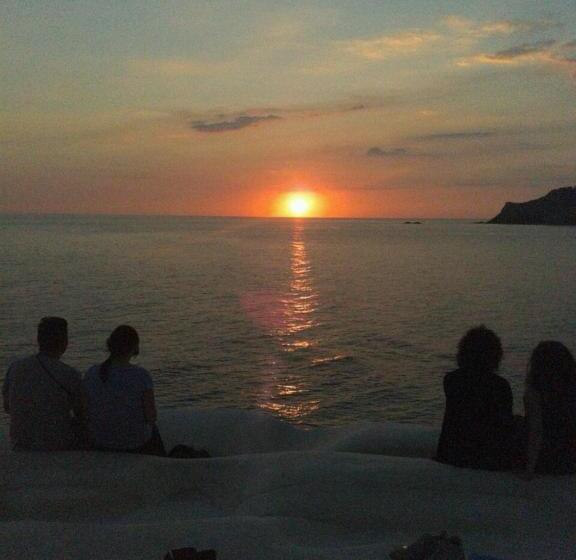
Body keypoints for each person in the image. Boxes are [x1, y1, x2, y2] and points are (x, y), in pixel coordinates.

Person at [436, 326, 516, 470]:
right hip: (487, 456)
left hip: (453, 454)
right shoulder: (501, 386)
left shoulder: (451, 380)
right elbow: (503, 424)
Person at [2, 317, 84, 451]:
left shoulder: (15, 367)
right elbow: (81, 413)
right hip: (57, 443)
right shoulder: (69, 374)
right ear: (64, 342)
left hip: (20, 442)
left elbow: (7, 407)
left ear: (38, 340)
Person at [83, 325, 166, 456]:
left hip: (100, 441)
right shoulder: (142, 376)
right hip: (135, 444)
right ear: (134, 348)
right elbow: (151, 417)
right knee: (153, 430)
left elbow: (85, 410)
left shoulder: (91, 373)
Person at [524, 341, 576, 477]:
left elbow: (536, 431)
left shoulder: (534, 393)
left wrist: (529, 469)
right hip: (570, 457)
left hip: (547, 459)